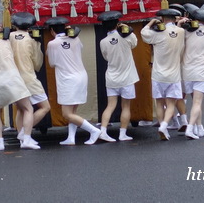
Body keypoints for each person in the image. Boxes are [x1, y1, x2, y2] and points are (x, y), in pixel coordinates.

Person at [0, 23, 38, 151]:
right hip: (12, 77)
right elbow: (5, 34)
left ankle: (0, 142)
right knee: (27, 109)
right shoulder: (5, 42)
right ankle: (26, 138)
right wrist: (1, 30)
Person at [46, 17, 101, 146]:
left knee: (66, 114)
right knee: (72, 111)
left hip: (68, 79)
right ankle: (71, 137)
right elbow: (79, 48)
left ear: (52, 31)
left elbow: (52, 63)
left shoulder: (52, 43)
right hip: (81, 76)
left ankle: (94, 131)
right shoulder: (75, 38)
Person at [141, 9, 186, 141]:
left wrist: (151, 23)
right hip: (173, 74)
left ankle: (163, 127)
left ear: (163, 19)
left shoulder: (156, 33)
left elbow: (143, 33)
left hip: (158, 74)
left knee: (159, 103)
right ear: (174, 18)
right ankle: (165, 124)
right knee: (171, 103)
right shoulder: (181, 31)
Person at [97, 11, 138, 142]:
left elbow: (105, 57)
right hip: (127, 78)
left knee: (110, 106)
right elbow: (135, 43)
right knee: (126, 106)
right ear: (118, 23)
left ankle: (103, 131)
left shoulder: (103, 42)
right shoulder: (127, 37)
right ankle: (122, 133)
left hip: (112, 77)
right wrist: (127, 30)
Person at [8, 12, 50, 140]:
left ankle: (22, 136)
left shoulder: (9, 37)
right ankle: (24, 134)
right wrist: (37, 44)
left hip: (13, 78)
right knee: (45, 107)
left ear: (14, 25)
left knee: (21, 109)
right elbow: (38, 64)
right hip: (28, 78)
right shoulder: (31, 40)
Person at [182, 10, 204, 140]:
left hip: (187, 70)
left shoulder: (186, 32)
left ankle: (199, 127)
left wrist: (183, 23)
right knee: (197, 102)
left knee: (196, 101)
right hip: (201, 71)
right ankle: (190, 128)